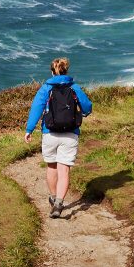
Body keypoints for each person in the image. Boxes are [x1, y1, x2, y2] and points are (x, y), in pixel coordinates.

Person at [24, 57, 93, 218]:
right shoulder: (74, 87)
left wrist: (29, 129)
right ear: (66, 70)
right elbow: (87, 106)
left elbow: (36, 109)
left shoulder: (45, 88)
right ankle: (59, 204)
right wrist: (84, 112)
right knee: (64, 170)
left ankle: (54, 197)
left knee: (52, 167)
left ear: (51, 71)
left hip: (50, 133)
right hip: (70, 133)